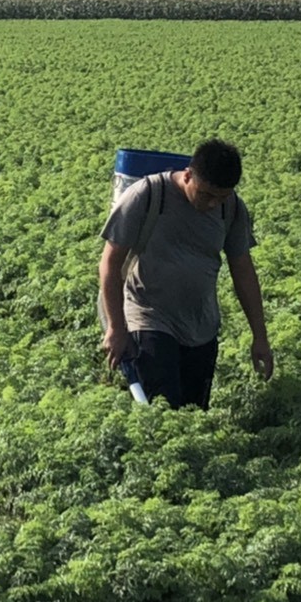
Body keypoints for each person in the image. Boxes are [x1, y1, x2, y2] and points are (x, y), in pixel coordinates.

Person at [98, 138, 272, 409]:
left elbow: (244, 271)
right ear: (188, 175)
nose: (213, 204)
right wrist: (116, 329)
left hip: (201, 327)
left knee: (194, 415)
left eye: (221, 197)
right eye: (205, 194)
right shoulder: (148, 195)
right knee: (163, 410)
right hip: (148, 318)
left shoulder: (232, 208)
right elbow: (110, 262)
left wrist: (260, 337)